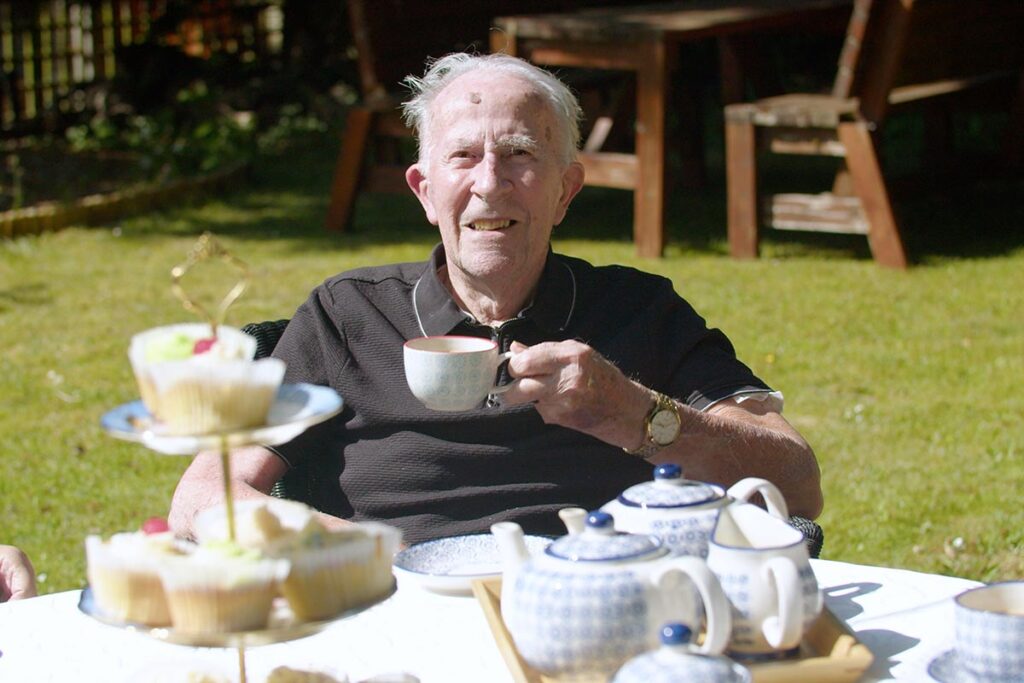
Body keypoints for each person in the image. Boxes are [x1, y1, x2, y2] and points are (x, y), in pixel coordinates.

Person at [170, 53, 822, 544]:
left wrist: (634, 413)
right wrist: (341, 550)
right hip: (388, 614)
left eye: (519, 153)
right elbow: (204, 493)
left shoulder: (638, 308)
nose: (490, 183)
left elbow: (797, 483)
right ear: (424, 191)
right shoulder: (347, 316)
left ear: (566, 189)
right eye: (462, 156)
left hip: (591, 612)